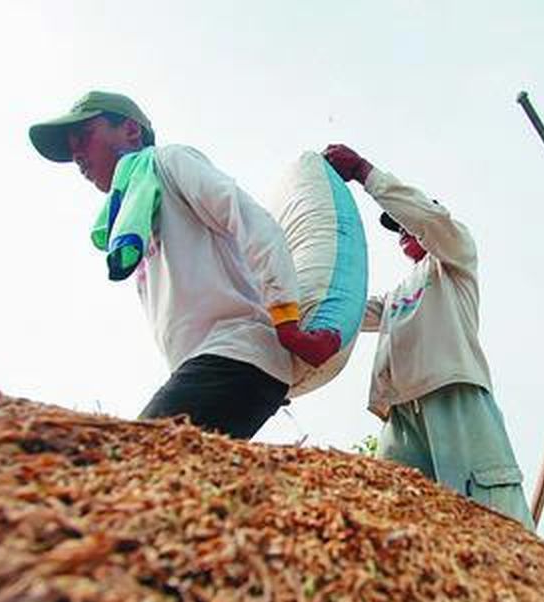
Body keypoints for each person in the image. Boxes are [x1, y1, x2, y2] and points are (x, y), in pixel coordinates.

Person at [29, 91, 338, 438]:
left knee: (133, 458)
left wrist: (287, 323)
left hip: (235, 353)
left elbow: (254, 222)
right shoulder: (134, 212)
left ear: (131, 131)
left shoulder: (168, 163)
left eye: (83, 138)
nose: (78, 156)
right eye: (72, 150)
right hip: (209, 365)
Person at [322, 144, 535, 529]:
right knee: (399, 518)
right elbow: (347, 309)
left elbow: (429, 220)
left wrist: (366, 172)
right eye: (397, 226)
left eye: (407, 222)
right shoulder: (398, 295)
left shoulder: (454, 258)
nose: (402, 229)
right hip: (401, 412)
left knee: (487, 513)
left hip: (452, 394)